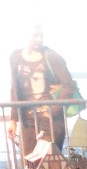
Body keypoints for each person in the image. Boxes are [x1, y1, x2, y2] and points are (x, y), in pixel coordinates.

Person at [8, 24, 75, 154]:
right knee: (30, 161)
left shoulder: (51, 56)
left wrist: (50, 110)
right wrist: (13, 120)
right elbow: (15, 89)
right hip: (27, 120)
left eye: (41, 35)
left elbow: (69, 86)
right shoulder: (15, 57)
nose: (39, 39)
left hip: (51, 120)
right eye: (34, 35)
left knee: (49, 161)